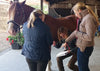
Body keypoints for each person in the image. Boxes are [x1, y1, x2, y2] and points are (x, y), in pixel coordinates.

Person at [61, 2, 100, 71]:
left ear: (79, 11)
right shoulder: (83, 18)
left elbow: (89, 37)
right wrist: (66, 41)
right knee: (83, 67)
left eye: (75, 13)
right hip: (82, 46)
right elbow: (76, 32)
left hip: (84, 48)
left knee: (83, 68)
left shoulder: (88, 19)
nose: (75, 15)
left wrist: (77, 34)